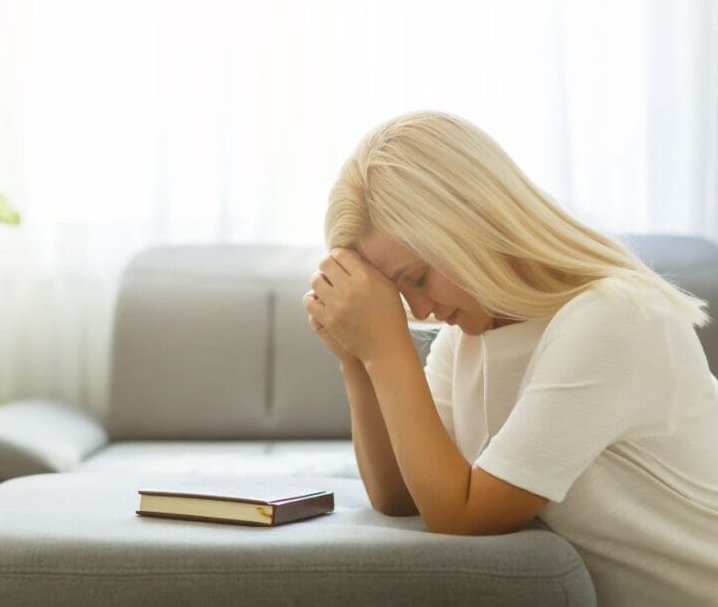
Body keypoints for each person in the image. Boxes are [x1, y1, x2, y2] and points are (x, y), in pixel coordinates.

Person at [302, 110, 718, 607]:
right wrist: (359, 361)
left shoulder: (612, 316)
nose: (419, 311)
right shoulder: (471, 333)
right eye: (396, 294)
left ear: (473, 225)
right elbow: (401, 497)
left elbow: (465, 518)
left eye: (416, 278)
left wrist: (387, 350)